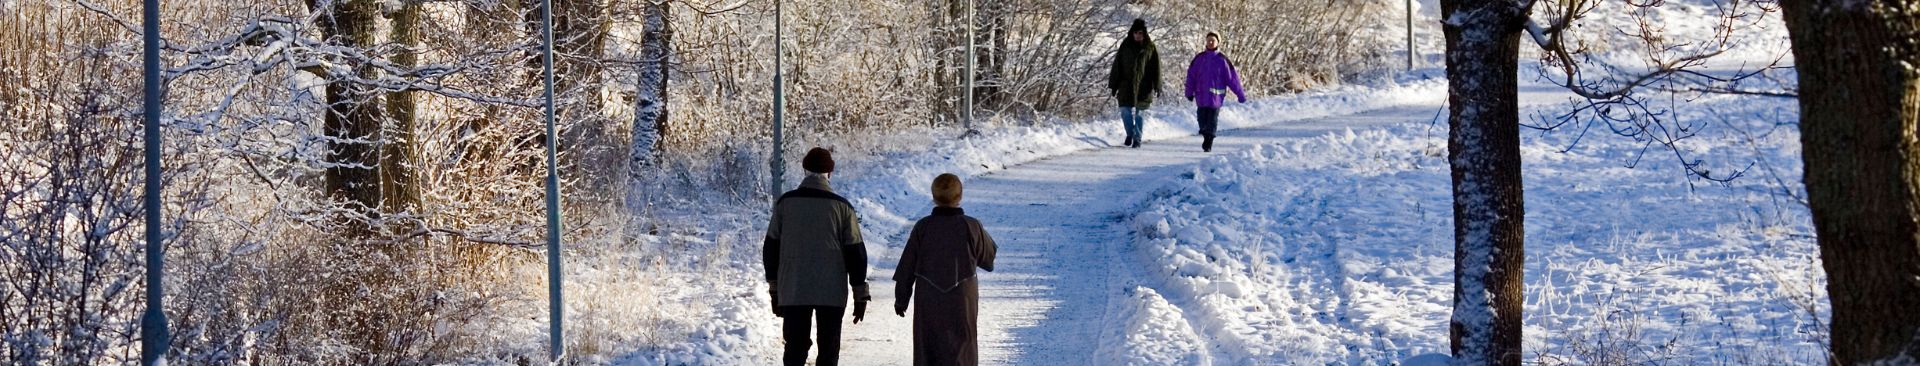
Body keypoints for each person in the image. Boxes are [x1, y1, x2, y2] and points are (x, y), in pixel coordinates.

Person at [763, 147, 871, 366]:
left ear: (804, 170)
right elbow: (856, 253)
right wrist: (860, 294)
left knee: (794, 347)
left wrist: (774, 288)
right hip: (831, 290)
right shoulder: (842, 207)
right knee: (829, 350)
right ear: (829, 173)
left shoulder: (785, 204)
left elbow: (771, 248)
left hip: (794, 288)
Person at [893, 173, 998, 366]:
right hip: (962, 296)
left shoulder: (923, 227)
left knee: (929, 345)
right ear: (960, 196)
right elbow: (988, 257)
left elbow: (907, 266)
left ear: (933, 196)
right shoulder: (971, 225)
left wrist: (901, 299)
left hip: (929, 296)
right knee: (962, 345)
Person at [1184, 32, 1248, 153]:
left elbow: (1232, 79)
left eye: (1213, 40)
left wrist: (1240, 95)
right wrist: (1189, 92)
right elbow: (1191, 76)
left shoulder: (1222, 60)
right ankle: (1205, 134)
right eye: (1209, 40)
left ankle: (1209, 141)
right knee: (1202, 120)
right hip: (1201, 96)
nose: (1211, 42)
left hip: (1216, 98)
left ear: (1218, 42)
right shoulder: (1199, 58)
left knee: (1212, 119)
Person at [1109, 18, 1163, 149]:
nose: (1139, 35)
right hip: (1126, 85)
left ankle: (1137, 139)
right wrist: (1114, 85)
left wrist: (1157, 85)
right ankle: (1130, 133)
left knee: (1140, 114)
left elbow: (1157, 67)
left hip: (1144, 86)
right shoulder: (1125, 46)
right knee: (1124, 111)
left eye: (1141, 33)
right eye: (1136, 33)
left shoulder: (1150, 47)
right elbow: (1117, 65)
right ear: (1132, 33)